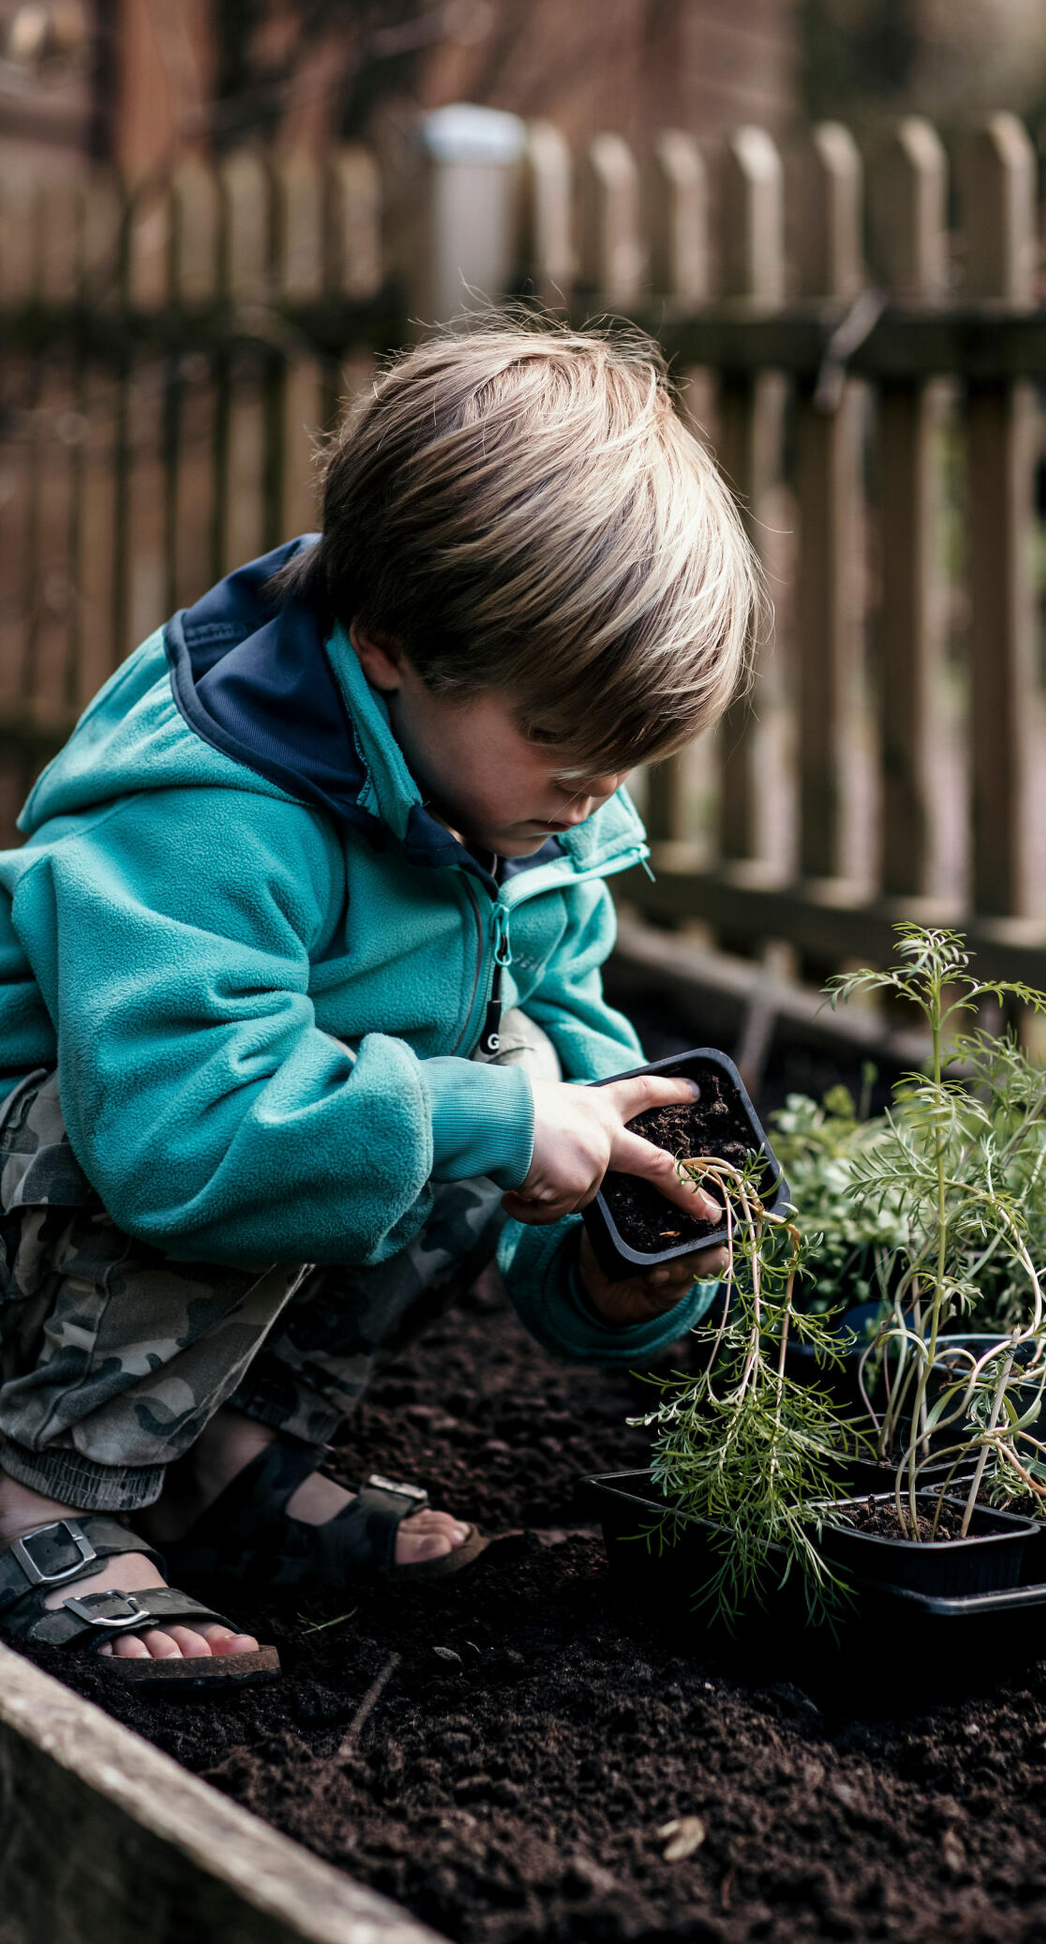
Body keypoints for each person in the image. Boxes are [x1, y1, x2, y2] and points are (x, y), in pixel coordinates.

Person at [0, 322, 761, 1687]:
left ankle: (207, 1452)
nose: (591, 798)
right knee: (433, 1105)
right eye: (559, 742)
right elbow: (180, 1131)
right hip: (70, 1168)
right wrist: (492, 1117)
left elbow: (571, 1081)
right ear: (391, 645)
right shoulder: (209, 809)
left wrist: (614, 1260)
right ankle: (40, 1483)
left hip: (182, 1167)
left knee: (504, 1085)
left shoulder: (524, 813)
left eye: (623, 762)